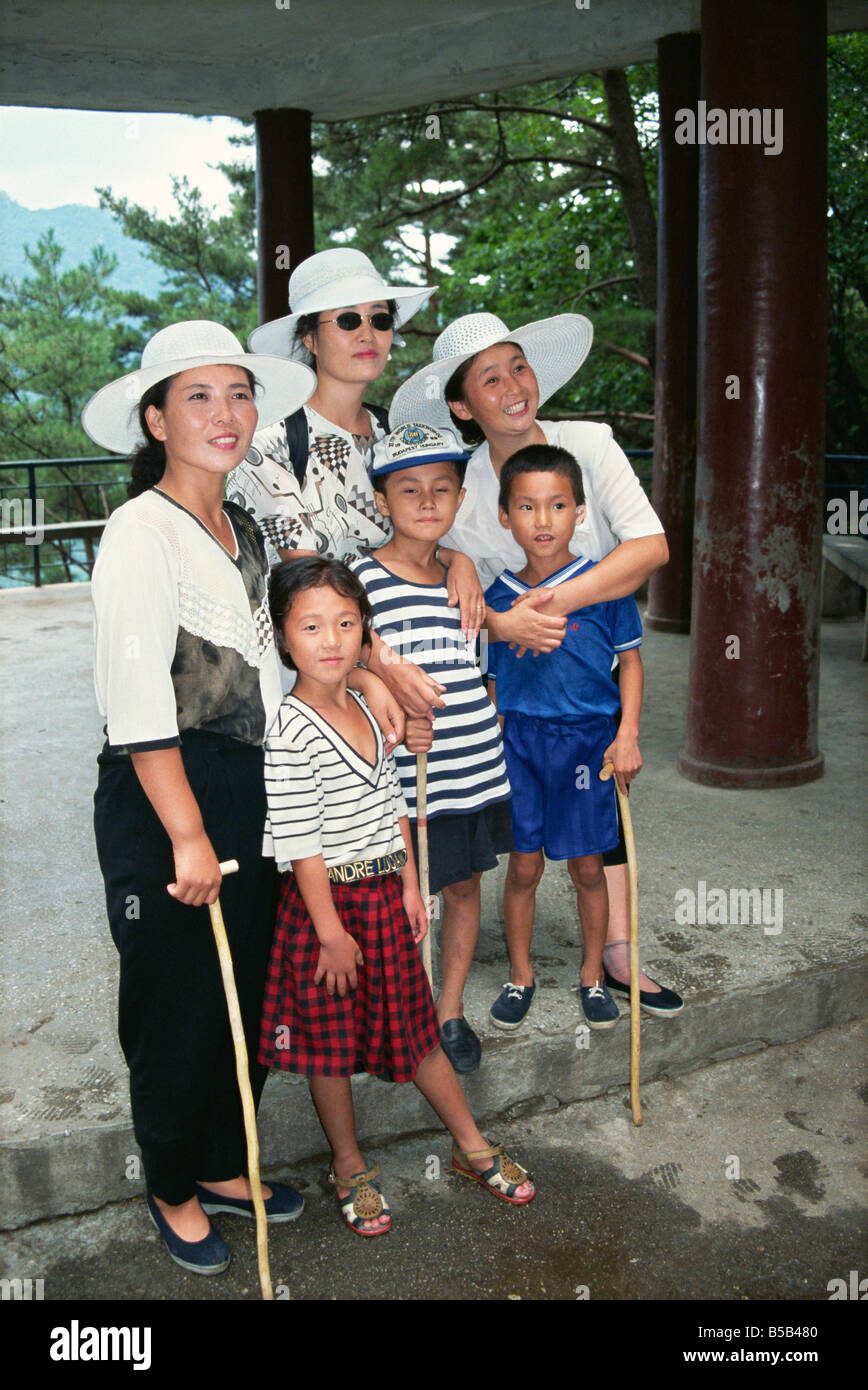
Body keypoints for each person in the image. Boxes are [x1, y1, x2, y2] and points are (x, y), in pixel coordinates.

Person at [83, 319, 317, 1276]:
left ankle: (226, 1160)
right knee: (178, 998)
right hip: (167, 790)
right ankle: (172, 1183)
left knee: (250, 983)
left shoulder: (243, 524)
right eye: (197, 397)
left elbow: (272, 662)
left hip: (250, 782)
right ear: (156, 418)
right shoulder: (140, 530)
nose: (226, 415)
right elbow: (138, 700)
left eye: (238, 394)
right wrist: (186, 834)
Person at [390, 312, 683, 1019]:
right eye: (490, 378)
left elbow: (649, 548)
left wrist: (550, 605)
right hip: (521, 681)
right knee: (530, 842)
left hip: (591, 642)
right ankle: (532, 965)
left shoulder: (589, 443)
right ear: (462, 405)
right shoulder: (462, 487)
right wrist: (491, 605)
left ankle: (615, 955)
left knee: (600, 819)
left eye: (518, 366)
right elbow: (438, 559)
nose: (514, 386)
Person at [258, 556, 534, 1235]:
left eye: (347, 624)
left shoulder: (362, 701)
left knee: (416, 1032)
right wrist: (329, 933)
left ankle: (470, 1146)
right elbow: (302, 846)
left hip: (384, 897)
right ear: (282, 638)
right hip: (327, 913)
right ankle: (349, 1166)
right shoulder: (290, 731)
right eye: (313, 626)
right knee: (328, 1046)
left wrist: (411, 883)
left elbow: (393, 801)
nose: (331, 641)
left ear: (364, 633)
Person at [229, 248, 486, 736]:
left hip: (395, 675)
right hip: (311, 687)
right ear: (309, 337)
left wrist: (458, 559)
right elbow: (309, 583)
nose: (368, 334)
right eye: (348, 320)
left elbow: (418, 536)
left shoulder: (397, 437)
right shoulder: (270, 446)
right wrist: (376, 670)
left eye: (380, 320)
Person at [348, 423, 513, 1073]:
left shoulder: (466, 576)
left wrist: (466, 563)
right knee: (399, 896)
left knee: (465, 887)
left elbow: (488, 661)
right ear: (382, 502)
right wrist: (391, 696)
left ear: (460, 498)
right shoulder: (360, 577)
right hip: (402, 773)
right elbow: (348, 655)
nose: (425, 501)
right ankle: (401, 1005)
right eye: (408, 489)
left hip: (469, 765)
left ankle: (449, 1009)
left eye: (441, 488)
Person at [485, 444, 644, 1028]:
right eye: (526, 506)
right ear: (505, 515)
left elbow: (629, 663)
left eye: (557, 505)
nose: (542, 520)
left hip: (588, 744)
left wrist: (626, 734)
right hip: (521, 744)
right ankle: (520, 973)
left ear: (580, 511)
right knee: (523, 867)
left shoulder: (606, 585)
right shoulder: (497, 596)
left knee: (587, 868)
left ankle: (593, 975)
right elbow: (497, 680)